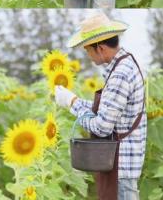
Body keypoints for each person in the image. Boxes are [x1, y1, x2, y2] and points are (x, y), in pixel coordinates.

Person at [55, 12, 146, 200]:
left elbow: (102, 127)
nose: (88, 55)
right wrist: (75, 100)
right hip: (120, 165)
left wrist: (72, 104)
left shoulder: (120, 74)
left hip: (120, 167)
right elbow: (109, 110)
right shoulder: (125, 63)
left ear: (101, 48)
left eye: (87, 50)